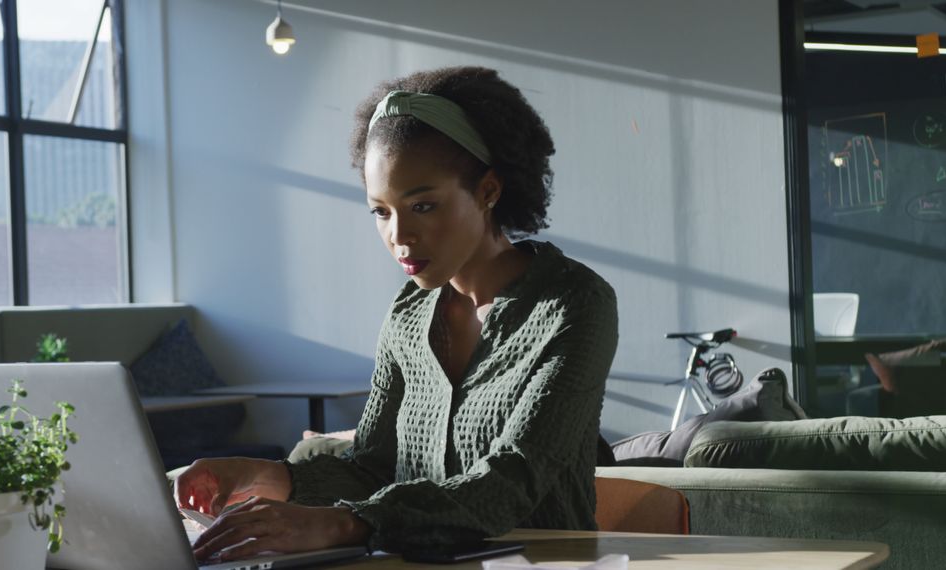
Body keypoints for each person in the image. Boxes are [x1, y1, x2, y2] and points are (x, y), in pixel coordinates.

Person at [174, 66, 618, 562]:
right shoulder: (408, 315)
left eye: (423, 206)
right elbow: (372, 467)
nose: (400, 237)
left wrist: (342, 523)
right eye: (381, 212)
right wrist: (264, 475)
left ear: (489, 191)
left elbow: (514, 479)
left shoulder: (573, 303)